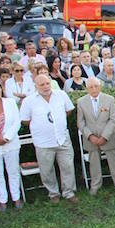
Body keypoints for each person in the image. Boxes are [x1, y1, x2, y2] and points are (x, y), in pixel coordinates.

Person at [19, 74, 78, 203]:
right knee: (46, 170)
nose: (46, 87)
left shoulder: (61, 95)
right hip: (43, 142)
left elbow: (68, 111)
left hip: (62, 138)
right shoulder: (29, 101)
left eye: (47, 83)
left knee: (68, 167)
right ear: (36, 86)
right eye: (42, 85)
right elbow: (25, 120)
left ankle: (69, 192)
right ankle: (53, 193)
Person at [77, 78, 115, 195]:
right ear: (87, 88)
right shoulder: (81, 102)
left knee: (114, 160)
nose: (94, 89)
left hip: (108, 137)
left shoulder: (109, 99)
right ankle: (95, 185)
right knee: (94, 163)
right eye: (91, 87)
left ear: (100, 86)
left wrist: (105, 136)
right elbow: (80, 122)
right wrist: (90, 136)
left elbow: (113, 119)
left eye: (96, 86)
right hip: (91, 139)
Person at [0, 79, 22, 211]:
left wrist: (6, 138)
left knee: (13, 171)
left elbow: (17, 122)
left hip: (10, 143)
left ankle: (16, 198)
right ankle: (3, 200)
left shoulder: (10, 102)